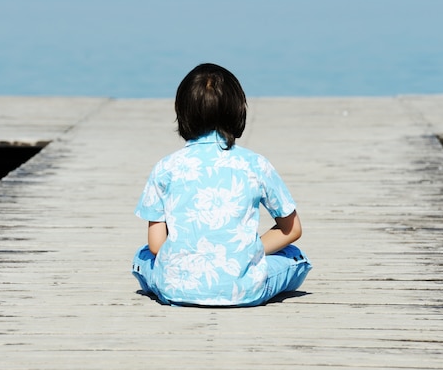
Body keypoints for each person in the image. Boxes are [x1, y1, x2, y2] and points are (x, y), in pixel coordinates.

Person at [131, 63, 311, 306]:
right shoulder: (256, 164)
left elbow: (156, 246)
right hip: (246, 290)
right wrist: (246, 252)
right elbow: (292, 230)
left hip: (176, 289)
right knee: (294, 257)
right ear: (238, 112)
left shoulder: (166, 167)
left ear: (182, 113)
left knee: (142, 257)